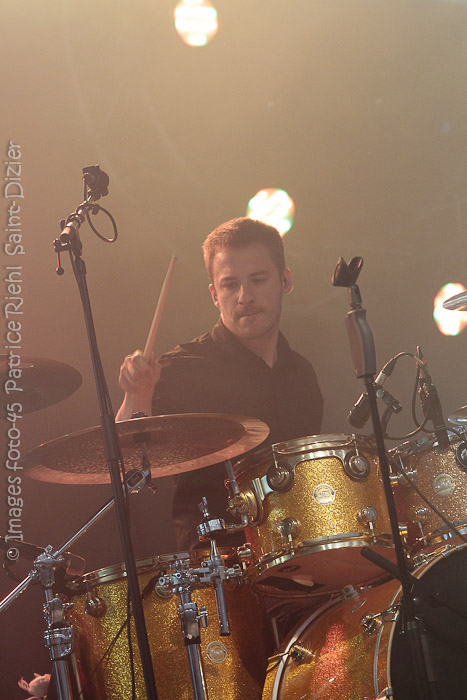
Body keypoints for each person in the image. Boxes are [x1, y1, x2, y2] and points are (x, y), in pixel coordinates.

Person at [116, 217, 323, 550]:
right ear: (214, 294)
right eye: (229, 285)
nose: (244, 296)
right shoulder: (181, 368)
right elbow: (127, 463)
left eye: (258, 280)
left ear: (285, 281)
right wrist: (136, 396)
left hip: (299, 552)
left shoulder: (302, 373)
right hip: (218, 566)